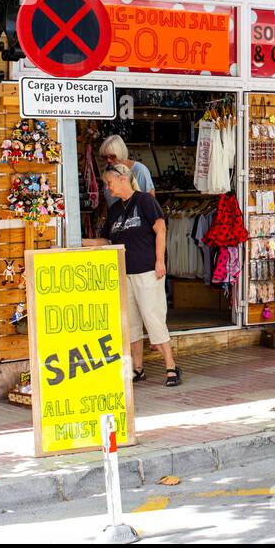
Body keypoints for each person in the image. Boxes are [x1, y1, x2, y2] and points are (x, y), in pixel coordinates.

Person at [84, 163, 180, 386]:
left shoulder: (145, 200)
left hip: (147, 270)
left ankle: (171, 366)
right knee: (132, 323)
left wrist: (159, 260)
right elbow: (108, 240)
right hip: (125, 273)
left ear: (122, 179)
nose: (107, 188)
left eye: (109, 183)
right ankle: (138, 368)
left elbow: (160, 229)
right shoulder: (116, 209)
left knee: (153, 317)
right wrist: (81, 242)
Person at [99, 135, 155, 206]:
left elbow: (151, 202)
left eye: (112, 156)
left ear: (121, 153)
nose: (108, 160)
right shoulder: (108, 169)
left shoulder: (140, 170)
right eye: (105, 157)